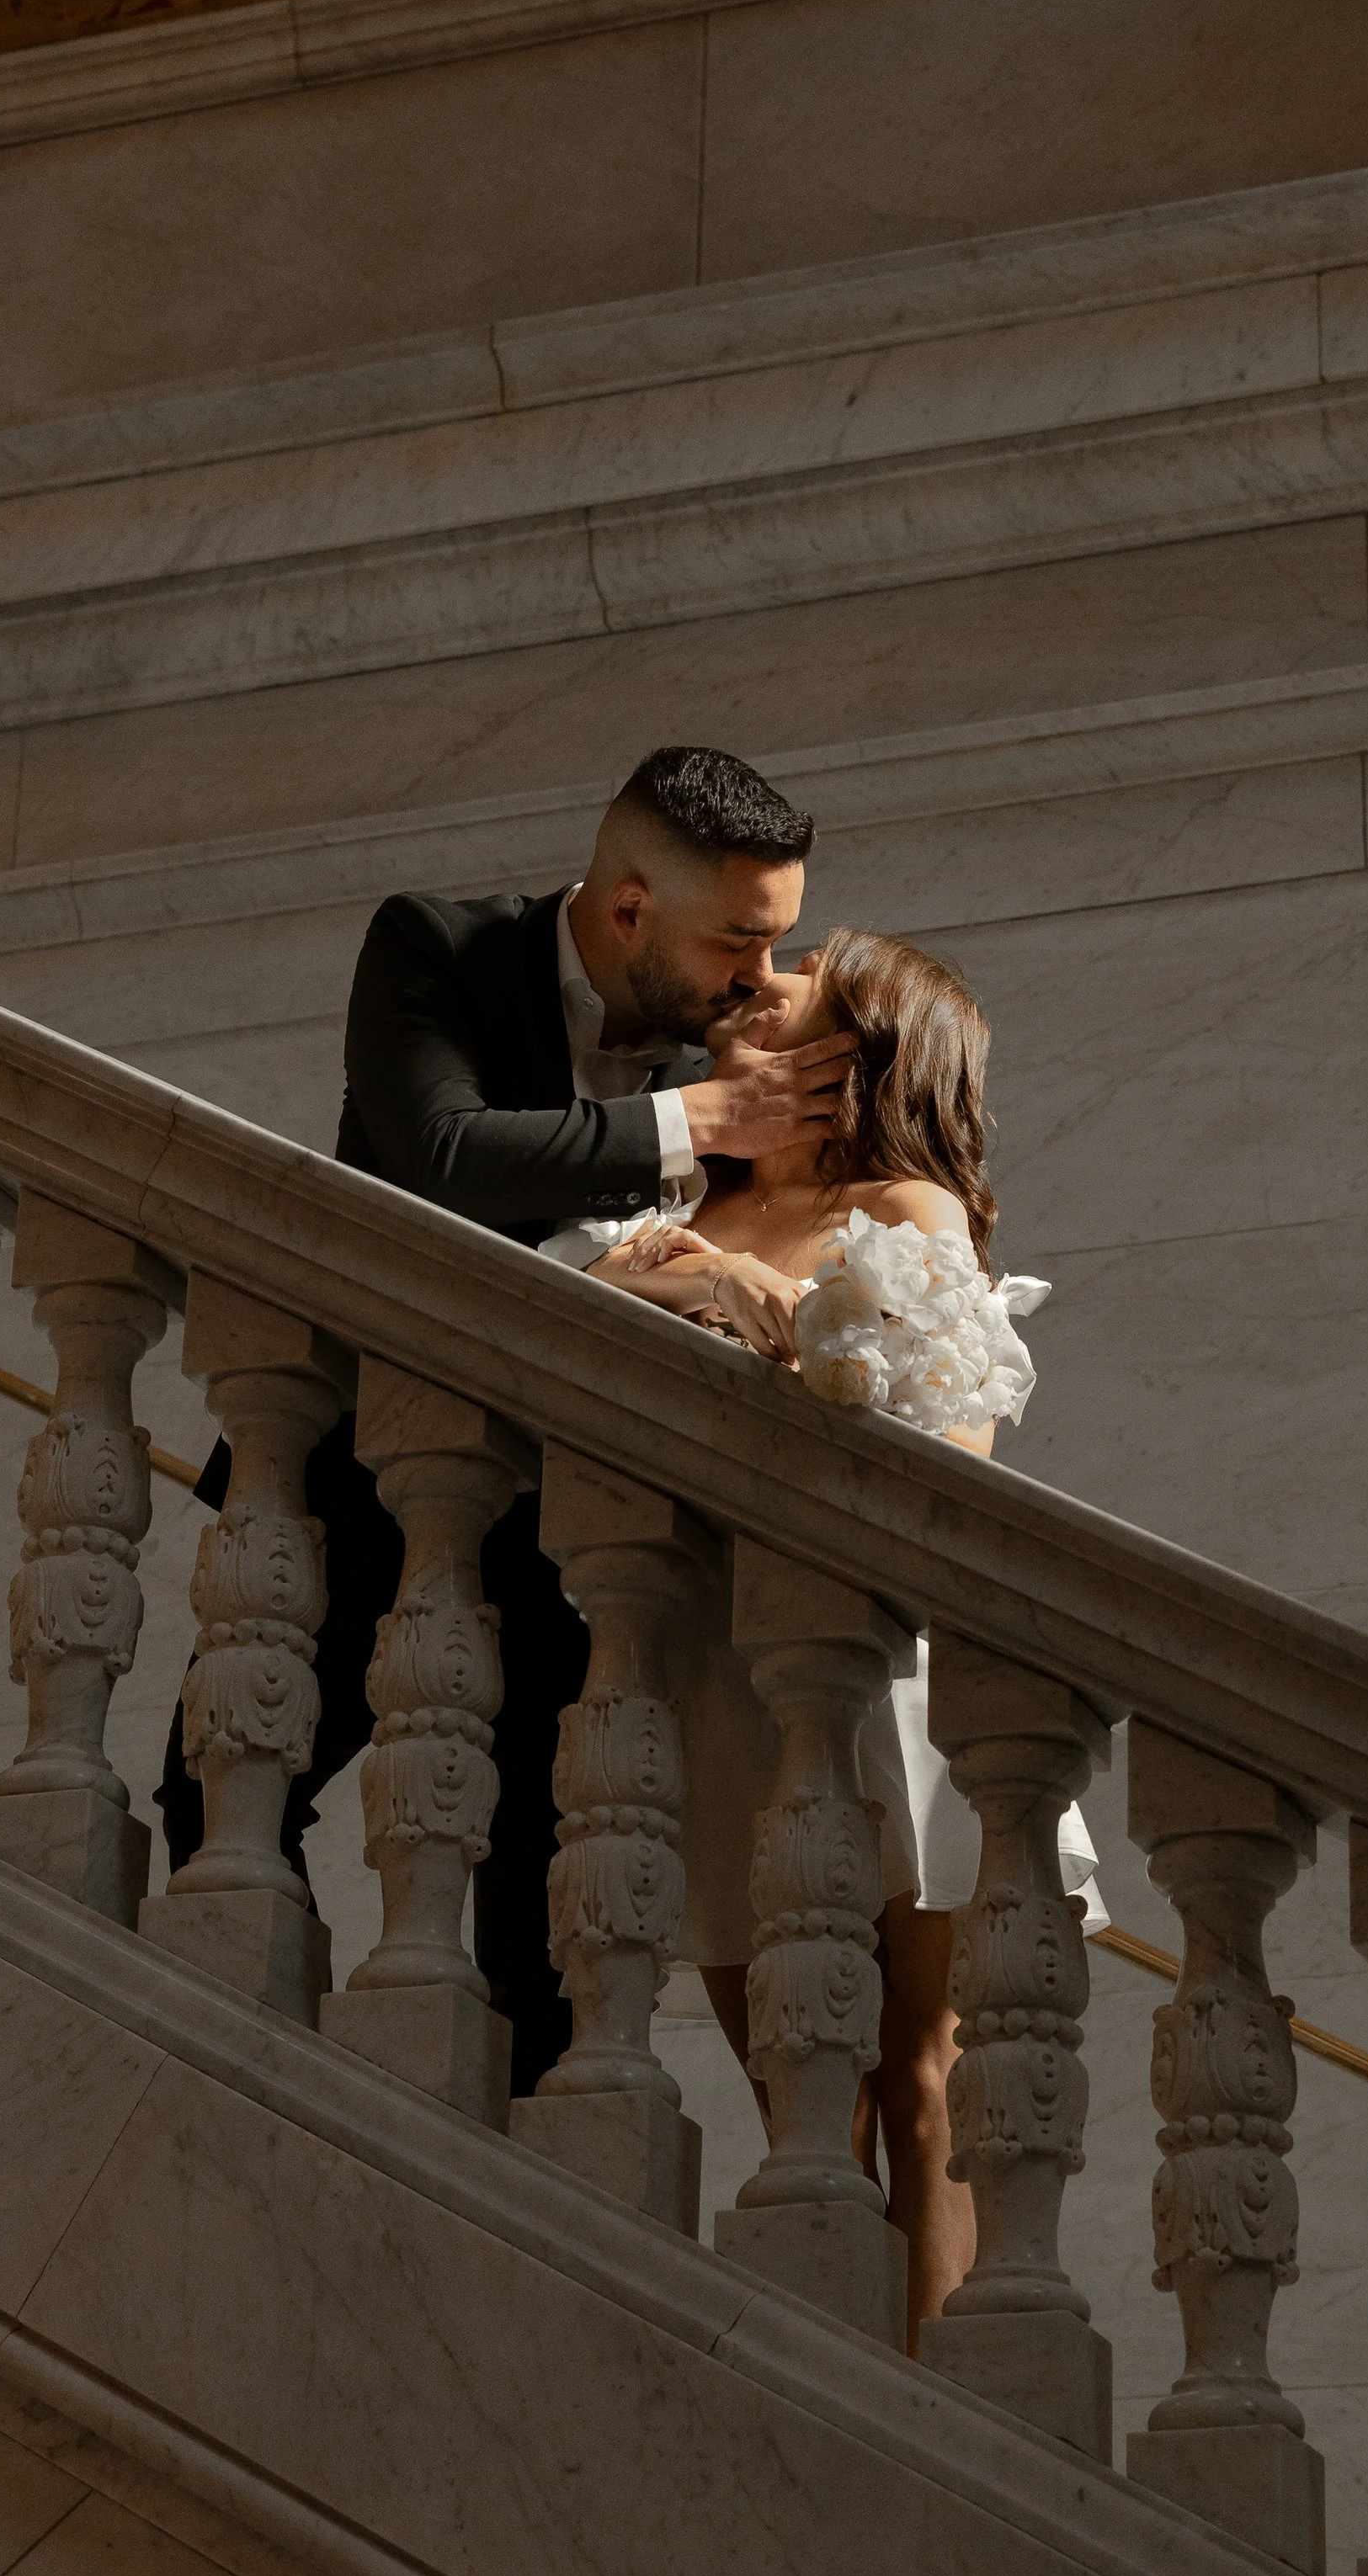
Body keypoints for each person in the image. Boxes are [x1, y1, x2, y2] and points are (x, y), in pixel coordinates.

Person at [157, 744, 851, 2095]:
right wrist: (689, 1119)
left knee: (542, 1891)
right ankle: (245, 2089)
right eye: (742, 941)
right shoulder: (437, 950)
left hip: (575, 1522)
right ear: (632, 908)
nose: (762, 979)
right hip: (364, 1460)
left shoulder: (744, 1048)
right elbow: (441, 1158)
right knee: (223, 1782)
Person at [541, 927, 1099, 2349]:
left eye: (802, 976)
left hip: (883, 1677)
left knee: (917, 2076)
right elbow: (558, 1341)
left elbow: (949, 1445)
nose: (756, 976)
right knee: (797, 2089)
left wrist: (785, 1330)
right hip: (714, 1667)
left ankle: (940, 2418)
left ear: (857, 1042)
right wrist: (711, 1286)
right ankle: (835, 2384)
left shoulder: (905, 1203)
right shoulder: (665, 1210)